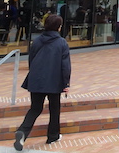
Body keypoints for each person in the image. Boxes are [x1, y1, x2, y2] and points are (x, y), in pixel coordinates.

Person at [14, 14, 70, 151]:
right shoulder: (61, 43)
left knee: (35, 108)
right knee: (54, 109)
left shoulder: (37, 41)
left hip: (36, 79)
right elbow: (65, 66)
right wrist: (66, 83)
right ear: (59, 27)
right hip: (54, 80)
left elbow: (31, 60)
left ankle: (22, 132)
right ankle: (53, 136)